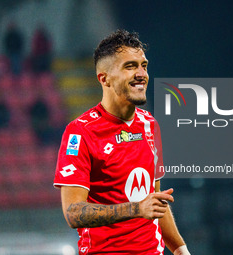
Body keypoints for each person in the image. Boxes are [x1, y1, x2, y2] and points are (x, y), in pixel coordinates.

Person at [53, 30, 191, 255]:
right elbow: (73, 213)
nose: (141, 74)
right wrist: (136, 209)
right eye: (130, 66)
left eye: (143, 65)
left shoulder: (150, 125)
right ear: (104, 78)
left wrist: (180, 250)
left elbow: (154, 202)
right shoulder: (80, 132)